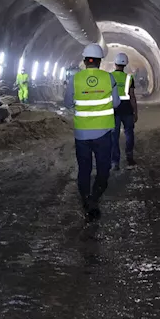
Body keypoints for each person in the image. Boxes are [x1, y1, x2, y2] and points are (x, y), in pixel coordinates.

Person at [65, 43, 120, 221]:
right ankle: (94, 199)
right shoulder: (109, 78)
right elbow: (116, 103)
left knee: (84, 169)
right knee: (103, 169)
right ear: (99, 61)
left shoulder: (75, 79)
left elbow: (67, 102)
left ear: (84, 61)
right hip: (103, 132)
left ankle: (85, 200)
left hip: (82, 133)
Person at [110, 52, 138, 169]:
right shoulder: (129, 77)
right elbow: (132, 96)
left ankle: (115, 162)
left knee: (114, 136)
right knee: (129, 133)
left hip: (114, 109)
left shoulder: (109, 77)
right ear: (125, 65)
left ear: (115, 64)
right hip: (127, 109)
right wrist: (135, 111)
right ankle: (129, 157)